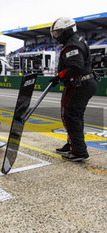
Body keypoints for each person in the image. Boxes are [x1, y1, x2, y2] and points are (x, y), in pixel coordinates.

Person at [49, 17, 97, 162]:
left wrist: (59, 76)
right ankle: (73, 144)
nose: (56, 36)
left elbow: (76, 66)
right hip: (81, 84)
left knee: (71, 116)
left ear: (67, 31)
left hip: (79, 85)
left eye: (58, 33)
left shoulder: (73, 45)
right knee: (73, 116)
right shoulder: (77, 40)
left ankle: (79, 151)